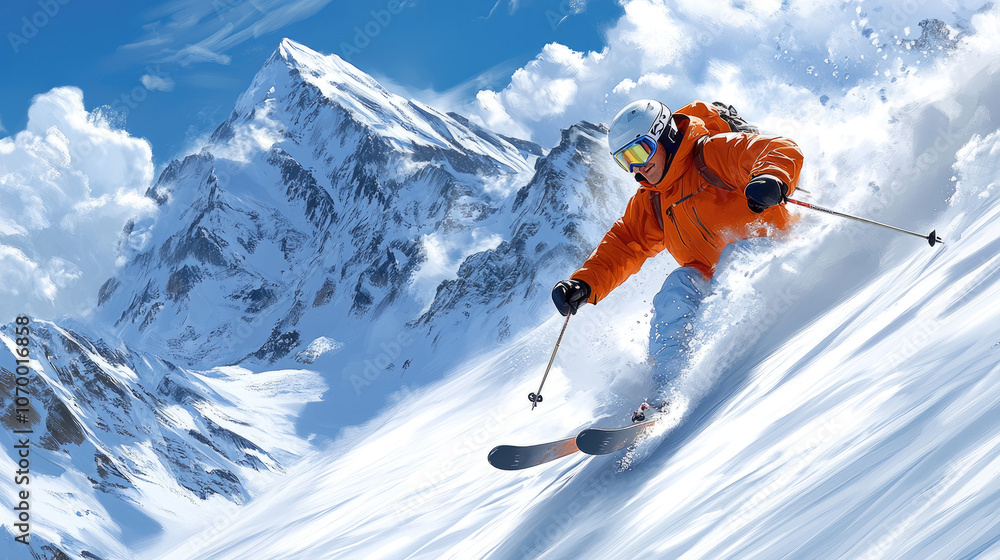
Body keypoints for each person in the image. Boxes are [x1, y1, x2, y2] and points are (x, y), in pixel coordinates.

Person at [551, 99, 804, 400]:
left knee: (734, 261)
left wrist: (771, 178)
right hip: (712, 275)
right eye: (624, 160)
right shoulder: (654, 198)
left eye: (639, 151)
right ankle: (666, 390)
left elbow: (776, 149)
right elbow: (624, 244)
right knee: (675, 290)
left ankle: (727, 361)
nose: (636, 167)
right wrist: (584, 283)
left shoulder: (712, 154)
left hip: (768, 250)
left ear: (664, 135)